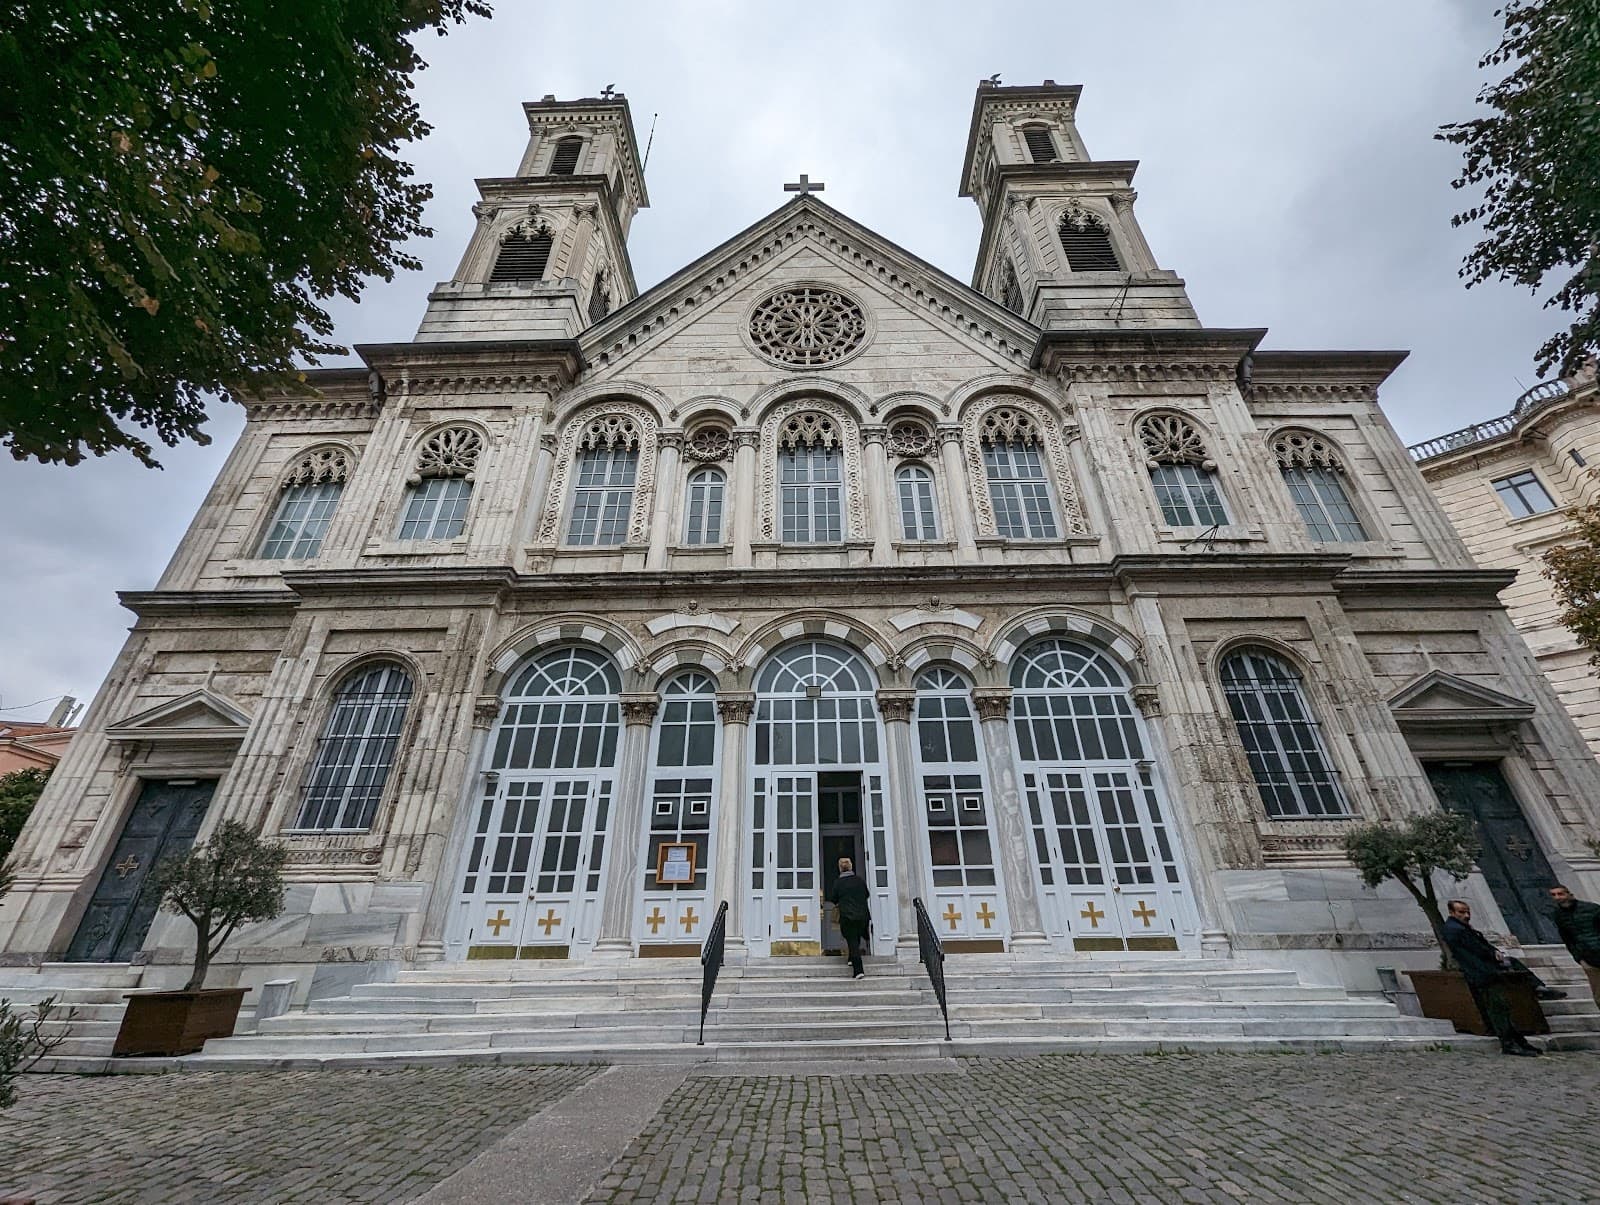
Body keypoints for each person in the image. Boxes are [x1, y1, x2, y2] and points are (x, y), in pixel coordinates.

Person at [1441, 899, 1541, 1056]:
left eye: (1468, 912)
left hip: (1486, 971)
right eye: (1462, 912)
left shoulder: (1461, 928)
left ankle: (1519, 1041)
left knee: (1502, 1007)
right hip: (1482, 973)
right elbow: (1477, 950)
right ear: (1452, 912)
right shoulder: (1455, 929)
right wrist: (1492, 954)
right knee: (1498, 1009)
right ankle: (1509, 1044)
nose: (1467, 915)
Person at [827, 856, 871, 980]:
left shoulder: (838, 883)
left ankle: (858, 970)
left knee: (852, 941)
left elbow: (833, 898)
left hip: (848, 915)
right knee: (855, 940)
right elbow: (866, 894)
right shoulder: (859, 880)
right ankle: (851, 958)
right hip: (862, 915)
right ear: (851, 867)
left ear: (840, 868)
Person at [1549, 884, 1600, 969]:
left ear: (1569, 894)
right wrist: (1579, 959)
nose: (1557, 897)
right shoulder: (1558, 915)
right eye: (1553, 895)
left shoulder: (1592, 909)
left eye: (1560, 894)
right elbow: (1567, 939)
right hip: (1588, 958)